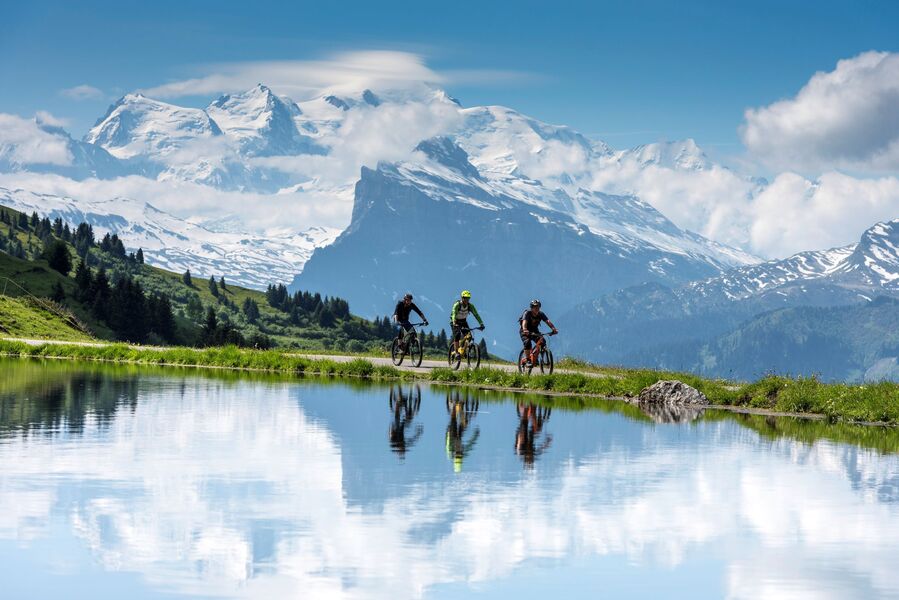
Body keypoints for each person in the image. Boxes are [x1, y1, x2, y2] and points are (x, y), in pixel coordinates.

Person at [519, 299, 557, 365]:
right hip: (524, 331)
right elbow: (524, 322)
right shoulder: (527, 313)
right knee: (527, 343)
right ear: (531, 307)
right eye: (535, 307)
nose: (537, 308)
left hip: (534, 331)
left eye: (538, 306)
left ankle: (537, 358)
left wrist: (553, 329)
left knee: (542, 342)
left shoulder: (541, 314)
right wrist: (525, 329)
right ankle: (528, 360)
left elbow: (547, 321)